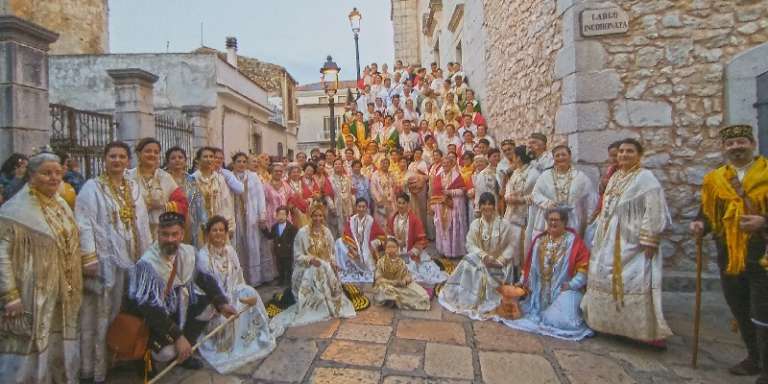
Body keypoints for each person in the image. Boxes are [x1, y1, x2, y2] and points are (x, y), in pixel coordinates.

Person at [0, 151, 97, 384]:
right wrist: (10, 294)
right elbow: (1, 254)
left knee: (59, 339)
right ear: (31, 176)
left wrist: (86, 259)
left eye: (57, 172)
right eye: (46, 173)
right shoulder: (13, 211)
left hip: (63, 289)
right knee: (31, 342)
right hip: (31, 290)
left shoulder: (62, 203)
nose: (54, 178)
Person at [690, 124, 768, 381]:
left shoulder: (766, 173)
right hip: (729, 255)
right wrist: (701, 224)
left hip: (762, 253)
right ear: (724, 147)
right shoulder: (716, 180)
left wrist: (763, 222)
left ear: (752, 144)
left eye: (742, 142)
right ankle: (754, 358)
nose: (736, 147)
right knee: (739, 306)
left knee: (763, 310)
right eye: (731, 144)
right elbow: (709, 212)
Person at [582, 138, 672, 347]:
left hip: (634, 241)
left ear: (639, 155)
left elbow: (654, 209)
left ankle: (640, 331)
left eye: (629, 151)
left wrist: (649, 239)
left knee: (633, 281)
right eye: (621, 151)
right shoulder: (615, 177)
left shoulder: (646, 179)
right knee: (604, 276)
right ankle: (607, 325)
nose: (624, 155)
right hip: (608, 237)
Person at [75, 141, 152, 383]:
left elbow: (143, 224)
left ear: (128, 161)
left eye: (121, 157)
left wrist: (148, 257)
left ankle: (118, 357)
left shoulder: (132, 187)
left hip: (130, 260)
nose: (117, 161)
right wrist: (89, 256)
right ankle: (95, 368)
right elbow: (84, 223)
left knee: (123, 312)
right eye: (112, 156)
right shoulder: (92, 188)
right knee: (100, 313)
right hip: (105, 261)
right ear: (104, 159)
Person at [125, 212, 237, 371]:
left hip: (177, 311)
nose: (170, 239)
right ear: (158, 234)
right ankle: (147, 360)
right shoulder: (147, 264)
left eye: (174, 234)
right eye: (165, 234)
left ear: (182, 234)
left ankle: (185, 354)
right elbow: (151, 310)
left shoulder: (188, 253)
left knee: (209, 305)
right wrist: (178, 337)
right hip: (154, 322)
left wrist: (222, 303)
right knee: (166, 352)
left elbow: (204, 279)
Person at [196, 216, 282, 374]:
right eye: (214, 230)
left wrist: (242, 293)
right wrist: (222, 304)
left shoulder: (230, 250)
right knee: (226, 319)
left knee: (250, 292)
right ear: (208, 234)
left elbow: (239, 276)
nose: (218, 233)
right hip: (216, 304)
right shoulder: (202, 256)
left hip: (234, 294)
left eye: (221, 230)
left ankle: (257, 332)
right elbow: (206, 289)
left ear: (226, 232)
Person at [505, 207, 592, 340]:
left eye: (556, 220)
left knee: (562, 322)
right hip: (538, 297)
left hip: (564, 291)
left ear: (564, 222)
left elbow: (584, 269)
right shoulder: (539, 241)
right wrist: (522, 282)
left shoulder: (573, 242)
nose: (552, 223)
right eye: (550, 220)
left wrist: (572, 285)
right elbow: (529, 269)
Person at [273, 202, 356, 327]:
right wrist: (310, 260)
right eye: (315, 216)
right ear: (310, 216)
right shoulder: (302, 233)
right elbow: (297, 256)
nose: (318, 219)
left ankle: (329, 301)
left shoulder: (327, 232)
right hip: (306, 268)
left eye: (320, 216)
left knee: (323, 268)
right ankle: (317, 304)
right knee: (316, 270)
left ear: (324, 217)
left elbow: (331, 253)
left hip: (325, 268)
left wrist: (333, 263)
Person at [439, 193, 515, 319]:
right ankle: (468, 298)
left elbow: (511, 246)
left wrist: (499, 261)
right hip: (482, 261)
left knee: (473, 266)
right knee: (468, 261)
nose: (487, 207)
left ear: (494, 206)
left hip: (499, 266)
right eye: (484, 204)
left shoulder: (504, 224)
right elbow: (470, 244)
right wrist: (484, 256)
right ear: (479, 207)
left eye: (490, 204)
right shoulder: (475, 224)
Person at [528, 145, 597, 242]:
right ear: (553, 159)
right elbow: (535, 194)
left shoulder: (581, 177)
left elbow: (591, 200)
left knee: (569, 251)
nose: (560, 158)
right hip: (549, 221)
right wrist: (548, 203)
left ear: (570, 156)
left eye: (563, 155)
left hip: (571, 221)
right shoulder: (545, 176)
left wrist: (590, 221)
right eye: (557, 155)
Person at [127, 138, 186, 239]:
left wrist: (163, 206)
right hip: (133, 230)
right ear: (139, 154)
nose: (152, 154)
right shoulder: (128, 176)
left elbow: (183, 204)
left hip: (161, 231)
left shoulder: (165, 177)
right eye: (148, 151)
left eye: (156, 152)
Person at [230, 152, 271, 286]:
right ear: (234, 163)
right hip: (235, 215)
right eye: (238, 161)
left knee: (253, 246)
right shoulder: (229, 177)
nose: (241, 164)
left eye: (243, 161)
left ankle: (255, 279)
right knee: (238, 246)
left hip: (252, 215)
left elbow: (260, 197)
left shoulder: (253, 177)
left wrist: (262, 215)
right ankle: (240, 279)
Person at [389, 193, 447, 285]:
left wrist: (413, 251)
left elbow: (422, 239)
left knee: (415, 271)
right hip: (396, 252)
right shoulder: (393, 218)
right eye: (399, 203)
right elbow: (390, 235)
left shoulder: (414, 220)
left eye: (403, 203)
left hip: (411, 253)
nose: (400, 205)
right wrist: (393, 246)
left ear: (408, 204)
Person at [504, 146, 541, 269]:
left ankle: (523, 273)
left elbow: (536, 195)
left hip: (525, 217)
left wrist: (520, 200)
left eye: (514, 155)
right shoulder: (516, 172)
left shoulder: (534, 174)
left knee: (523, 245)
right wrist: (508, 196)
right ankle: (512, 271)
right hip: (511, 215)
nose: (512, 158)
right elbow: (508, 188)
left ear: (519, 157)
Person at [189, 147, 236, 246]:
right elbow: (190, 205)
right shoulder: (192, 179)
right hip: (199, 226)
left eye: (211, 156)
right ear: (198, 160)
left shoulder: (220, 179)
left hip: (219, 225)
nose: (209, 159)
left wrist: (230, 226)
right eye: (205, 156)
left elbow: (226, 203)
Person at [335, 198, 386, 283]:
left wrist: (373, 244)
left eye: (363, 207)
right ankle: (348, 268)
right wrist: (352, 247)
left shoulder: (371, 221)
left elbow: (381, 236)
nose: (361, 209)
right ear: (356, 207)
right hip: (354, 248)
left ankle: (366, 269)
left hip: (367, 249)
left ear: (367, 208)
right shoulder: (352, 220)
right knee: (338, 242)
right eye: (359, 207)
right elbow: (346, 235)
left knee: (368, 263)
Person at [373, 237, 431, 310]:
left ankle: (400, 299)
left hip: (400, 286)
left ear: (397, 249)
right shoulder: (381, 262)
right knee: (386, 290)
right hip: (386, 285)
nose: (391, 250)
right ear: (385, 249)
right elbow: (378, 279)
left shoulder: (401, 262)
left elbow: (407, 275)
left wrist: (405, 280)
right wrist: (393, 282)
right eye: (388, 247)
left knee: (421, 295)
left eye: (393, 247)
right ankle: (392, 299)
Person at [431, 152, 468, 259]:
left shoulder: (457, 175)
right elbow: (435, 191)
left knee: (452, 227)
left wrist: (450, 192)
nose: (445, 165)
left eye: (447, 163)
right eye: (443, 164)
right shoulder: (439, 176)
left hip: (453, 207)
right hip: (441, 206)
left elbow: (462, 191)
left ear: (452, 164)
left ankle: (454, 251)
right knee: (442, 227)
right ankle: (443, 250)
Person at [262, 206, 298, 286]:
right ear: (276, 215)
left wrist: (292, 248)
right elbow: (270, 236)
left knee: (288, 267)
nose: (281, 217)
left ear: (286, 216)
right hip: (278, 251)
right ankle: (281, 280)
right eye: (279, 215)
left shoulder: (291, 227)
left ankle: (288, 281)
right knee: (279, 266)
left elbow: (295, 240)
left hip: (288, 251)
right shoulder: (274, 227)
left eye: (283, 214)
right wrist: (264, 229)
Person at [329, 158, 355, 238]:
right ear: (333, 166)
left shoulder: (347, 178)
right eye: (335, 164)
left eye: (339, 164)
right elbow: (328, 195)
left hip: (347, 206)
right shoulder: (330, 179)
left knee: (347, 227)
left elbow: (352, 192)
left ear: (342, 166)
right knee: (336, 228)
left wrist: (353, 204)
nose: (337, 165)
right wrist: (332, 206)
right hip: (335, 207)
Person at [371, 157, 396, 226]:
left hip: (391, 201)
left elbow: (394, 186)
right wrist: (379, 200)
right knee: (381, 221)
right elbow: (373, 189)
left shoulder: (391, 174)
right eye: (383, 163)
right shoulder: (375, 174)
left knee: (391, 220)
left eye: (387, 163)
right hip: (380, 201)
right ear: (380, 164)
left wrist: (391, 196)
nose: (385, 165)